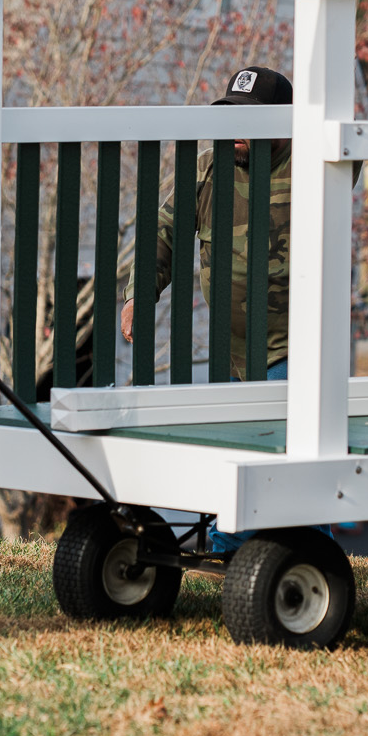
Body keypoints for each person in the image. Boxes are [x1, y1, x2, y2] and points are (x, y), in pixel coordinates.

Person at [118, 64, 308, 554]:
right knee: (234, 453)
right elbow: (165, 232)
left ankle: (289, 549)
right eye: (231, 116)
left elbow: (348, 155)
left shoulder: (311, 165)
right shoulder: (208, 167)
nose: (237, 131)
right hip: (232, 353)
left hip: (293, 349)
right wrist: (141, 293)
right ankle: (239, 541)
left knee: (294, 459)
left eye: (253, 119)